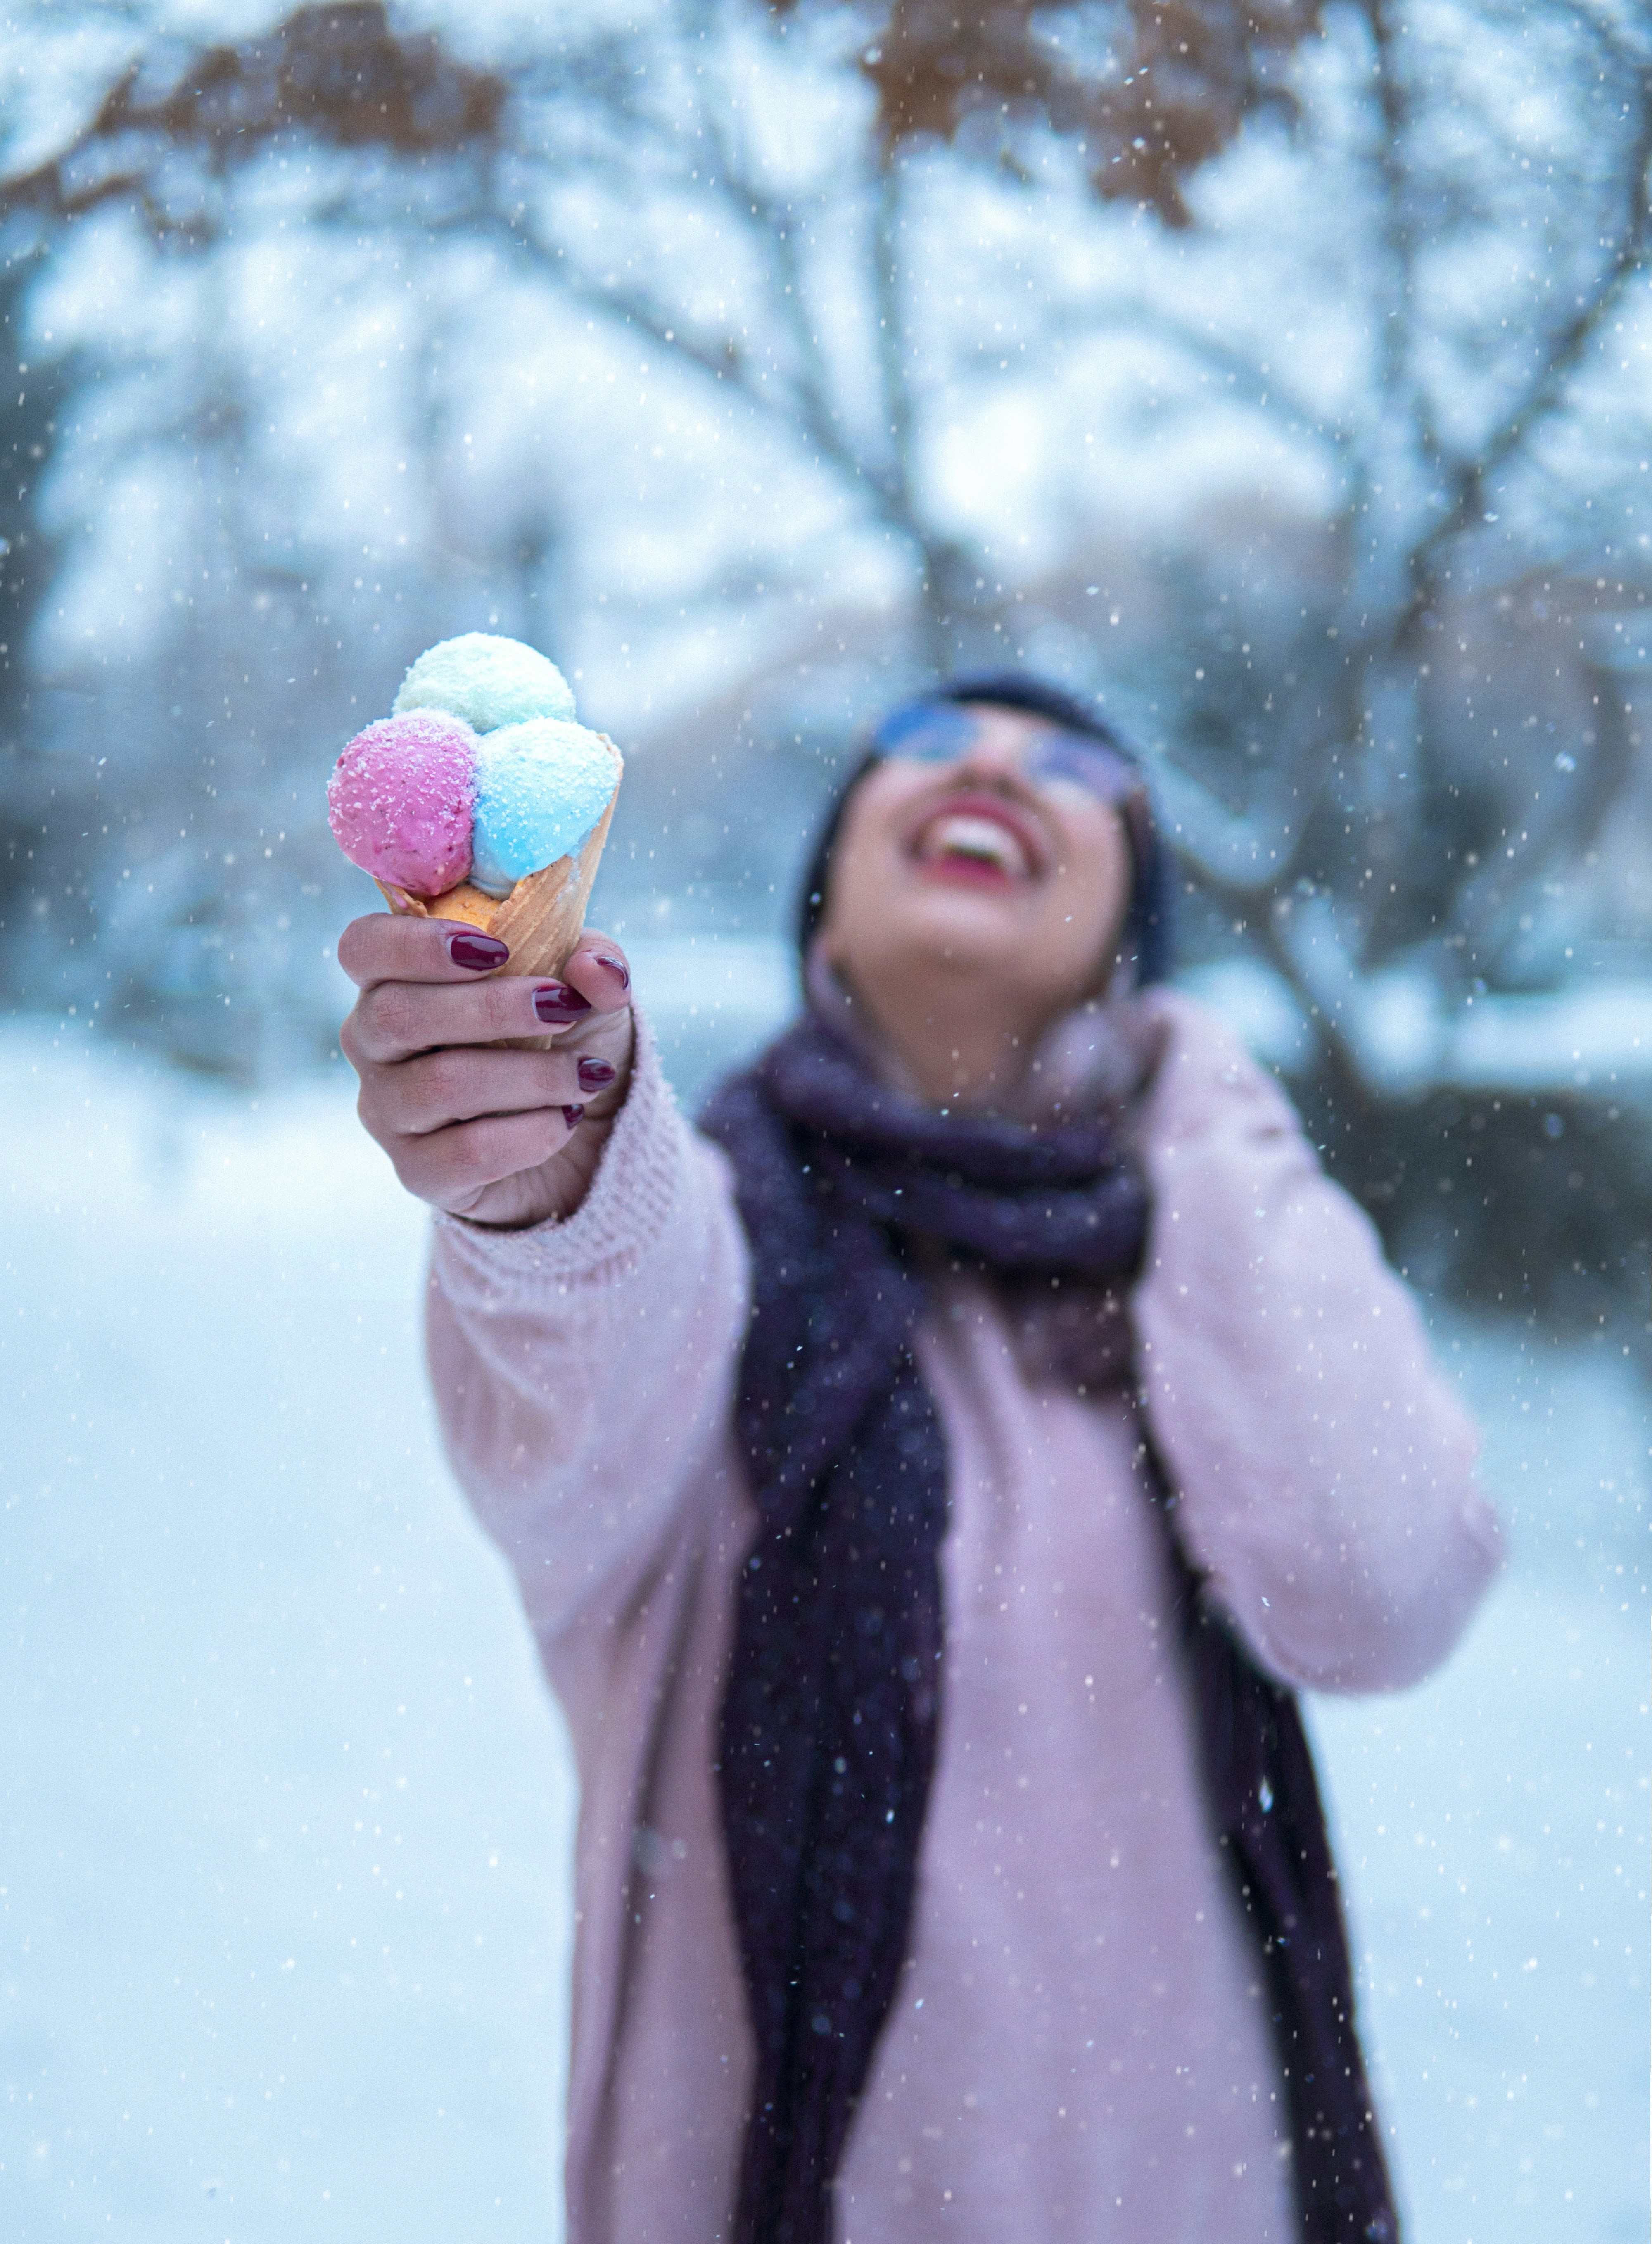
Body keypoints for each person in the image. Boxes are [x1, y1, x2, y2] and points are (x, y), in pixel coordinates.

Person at [338, 674, 1503, 2244]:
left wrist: (1201, 1089)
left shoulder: (1199, 1271)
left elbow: (1380, 1586)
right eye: (933, 746)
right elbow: (587, 1345)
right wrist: (548, 1167)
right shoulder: (708, 1227)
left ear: (1134, 936)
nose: (1000, 772)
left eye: (1076, 763)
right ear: (827, 908)